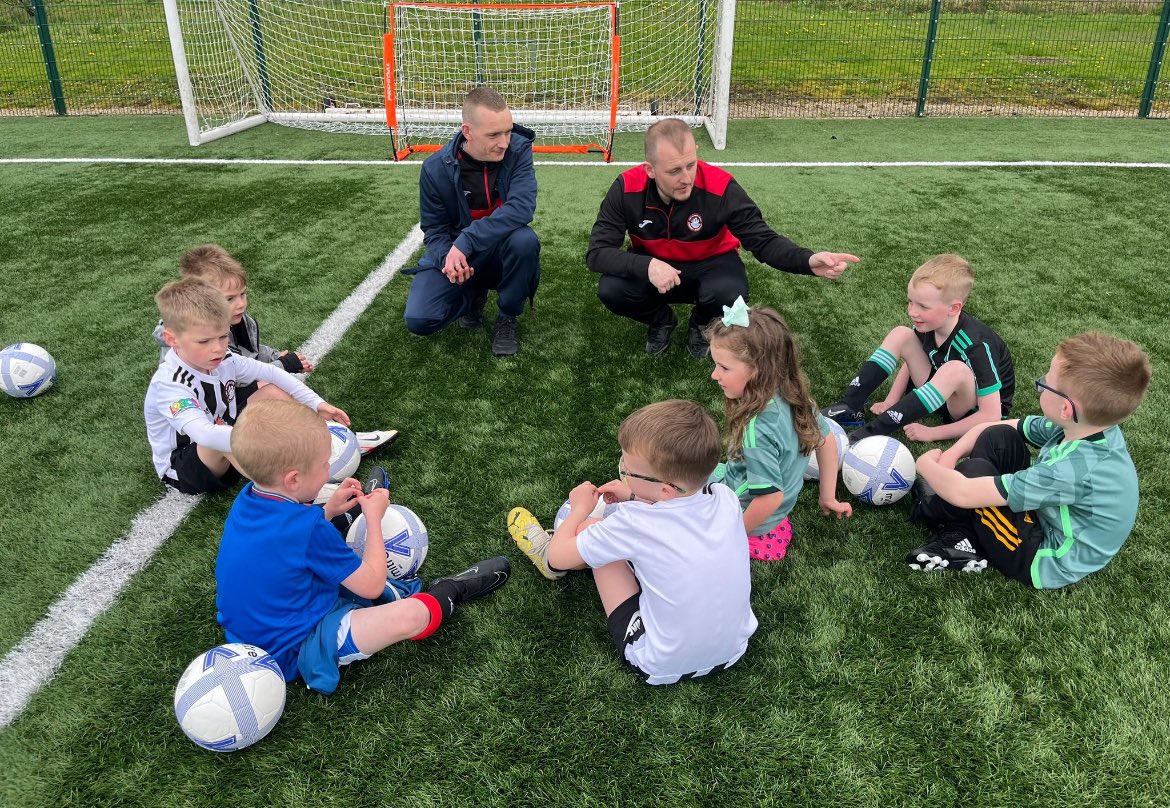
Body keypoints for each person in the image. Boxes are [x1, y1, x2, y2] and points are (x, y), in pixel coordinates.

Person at [215, 399, 510, 694]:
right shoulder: (307, 530)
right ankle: (449, 590)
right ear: (293, 480)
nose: (329, 468)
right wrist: (373, 519)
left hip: (246, 636)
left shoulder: (249, 497)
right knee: (410, 616)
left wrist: (327, 511)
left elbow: (283, 546)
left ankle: (347, 513)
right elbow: (370, 584)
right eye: (323, 464)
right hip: (298, 648)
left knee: (323, 549)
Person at [507, 400, 757, 685]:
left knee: (589, 530)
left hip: (658, 662)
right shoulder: (726, 499)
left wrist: (578, 509)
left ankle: (546, 556)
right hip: (735, 650)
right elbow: (675, 518)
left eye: (628, 470)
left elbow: (559, 556)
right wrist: (635, 496)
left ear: (664, 489)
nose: (623, 469)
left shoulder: (632, 523)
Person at [585, 118, 859, 358]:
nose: (686, 178)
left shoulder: (721, 186)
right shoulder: (626, 187)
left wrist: (808, 260)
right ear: (650, 170)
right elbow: (597, 253)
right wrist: (647, 266)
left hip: (711, 264)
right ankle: (661, 320)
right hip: (656, 268)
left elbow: (762, 240)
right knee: (611, 289)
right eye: (673, 171)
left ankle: (701, 322)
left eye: (690, 165)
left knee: (730, 293)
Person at [907, 332, 1151, 588]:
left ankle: (935, 515)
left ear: (1066, 408)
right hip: (1044, 513)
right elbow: (996, 426)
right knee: (998, 437)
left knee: (972, 474)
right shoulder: (1084, 426)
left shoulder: (1073, 470)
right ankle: (961, 527)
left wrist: (925, 465)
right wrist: (950, 456)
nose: (1041, 381)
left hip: (1042, 557)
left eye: (1045, 382)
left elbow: (964, 493)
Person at [152, 244, 397, 456]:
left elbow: (252, 354)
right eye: (229, 299)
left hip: (223, 407)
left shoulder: (238, 322)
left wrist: (275, 358)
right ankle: (308, 453)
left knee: (273, 386)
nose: (240, 304)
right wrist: (286, 364)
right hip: (208, 420)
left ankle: (333, 440)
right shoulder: (183, 354)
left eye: (242, 295)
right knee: (266, 389)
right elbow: (235, 374)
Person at [146, 278, 351, 494]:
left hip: (228, 430)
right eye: (204, 341)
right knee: (222, 436)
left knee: (269, 390)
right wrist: (263, 442)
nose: (217, 348)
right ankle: (298, 493)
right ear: (172, 339)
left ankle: (330, 438)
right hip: (187, 463)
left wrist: (317, 404)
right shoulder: (170, 384)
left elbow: (270, 372)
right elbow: (205, 435)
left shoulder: (224, 358)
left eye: (223, 336)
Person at [706, 297, 852, 561]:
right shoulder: (797, 398)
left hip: (745, 514)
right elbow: (827, 440)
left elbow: (769, 498)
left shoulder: (757, 430)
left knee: (671, 480)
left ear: (758, 370)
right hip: (776, 517)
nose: (714, 375)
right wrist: (827, 496)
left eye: (723, 367)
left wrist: (729, 538)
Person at [402, 86, 540, 357]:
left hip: (500, 251)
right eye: (493, 134)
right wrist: (450, 261)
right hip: (459, 254)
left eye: (508, 131)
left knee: (524, 241)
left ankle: (507, 316)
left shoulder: (519, 151)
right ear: (468, 132)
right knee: (419, 319)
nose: (504, 142)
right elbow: (435, 230)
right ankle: (471, 297)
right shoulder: (435, 168)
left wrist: (467, 240)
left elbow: (522, 208)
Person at [821, 254, 1015, 444]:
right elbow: (911, 362)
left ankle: (875, 430)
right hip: (938, 394)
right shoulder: (930, 325)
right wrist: (891, 400)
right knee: (901, 334)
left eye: (922, 306)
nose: (912, 311)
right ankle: (850, 405)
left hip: (968, 411)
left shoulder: (976, 345)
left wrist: (934, 433)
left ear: (954, 308)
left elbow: (991, 415)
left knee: (955, 369)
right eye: (910, 302)